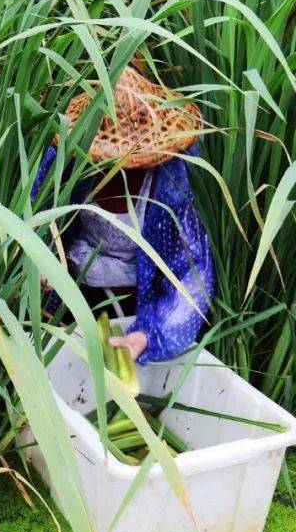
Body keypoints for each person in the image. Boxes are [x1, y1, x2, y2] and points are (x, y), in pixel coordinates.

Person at [32, 66, 214, 363]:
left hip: (138, 303)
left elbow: (192, 271)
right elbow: (37, 217)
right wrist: (39, 261)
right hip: (73, 296)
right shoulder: (67, 162)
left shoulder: (169, 180)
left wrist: (148, 334)